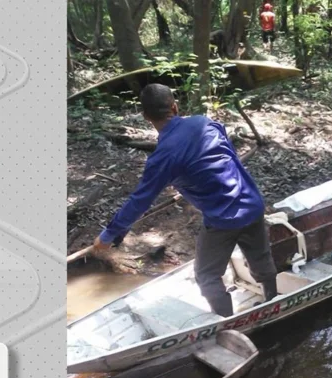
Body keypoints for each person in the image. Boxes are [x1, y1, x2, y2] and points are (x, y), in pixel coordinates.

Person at [92, 84, 278, 317]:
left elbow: (139, 201)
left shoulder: (163, 157)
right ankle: (273, 298)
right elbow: (222, 157)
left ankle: (226, 321)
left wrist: (108, 235)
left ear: (145, 116)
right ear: (175, 107)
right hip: (252, 203)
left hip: (222, 220)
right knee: (260, 258)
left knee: (206, 275)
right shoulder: (204, 122)